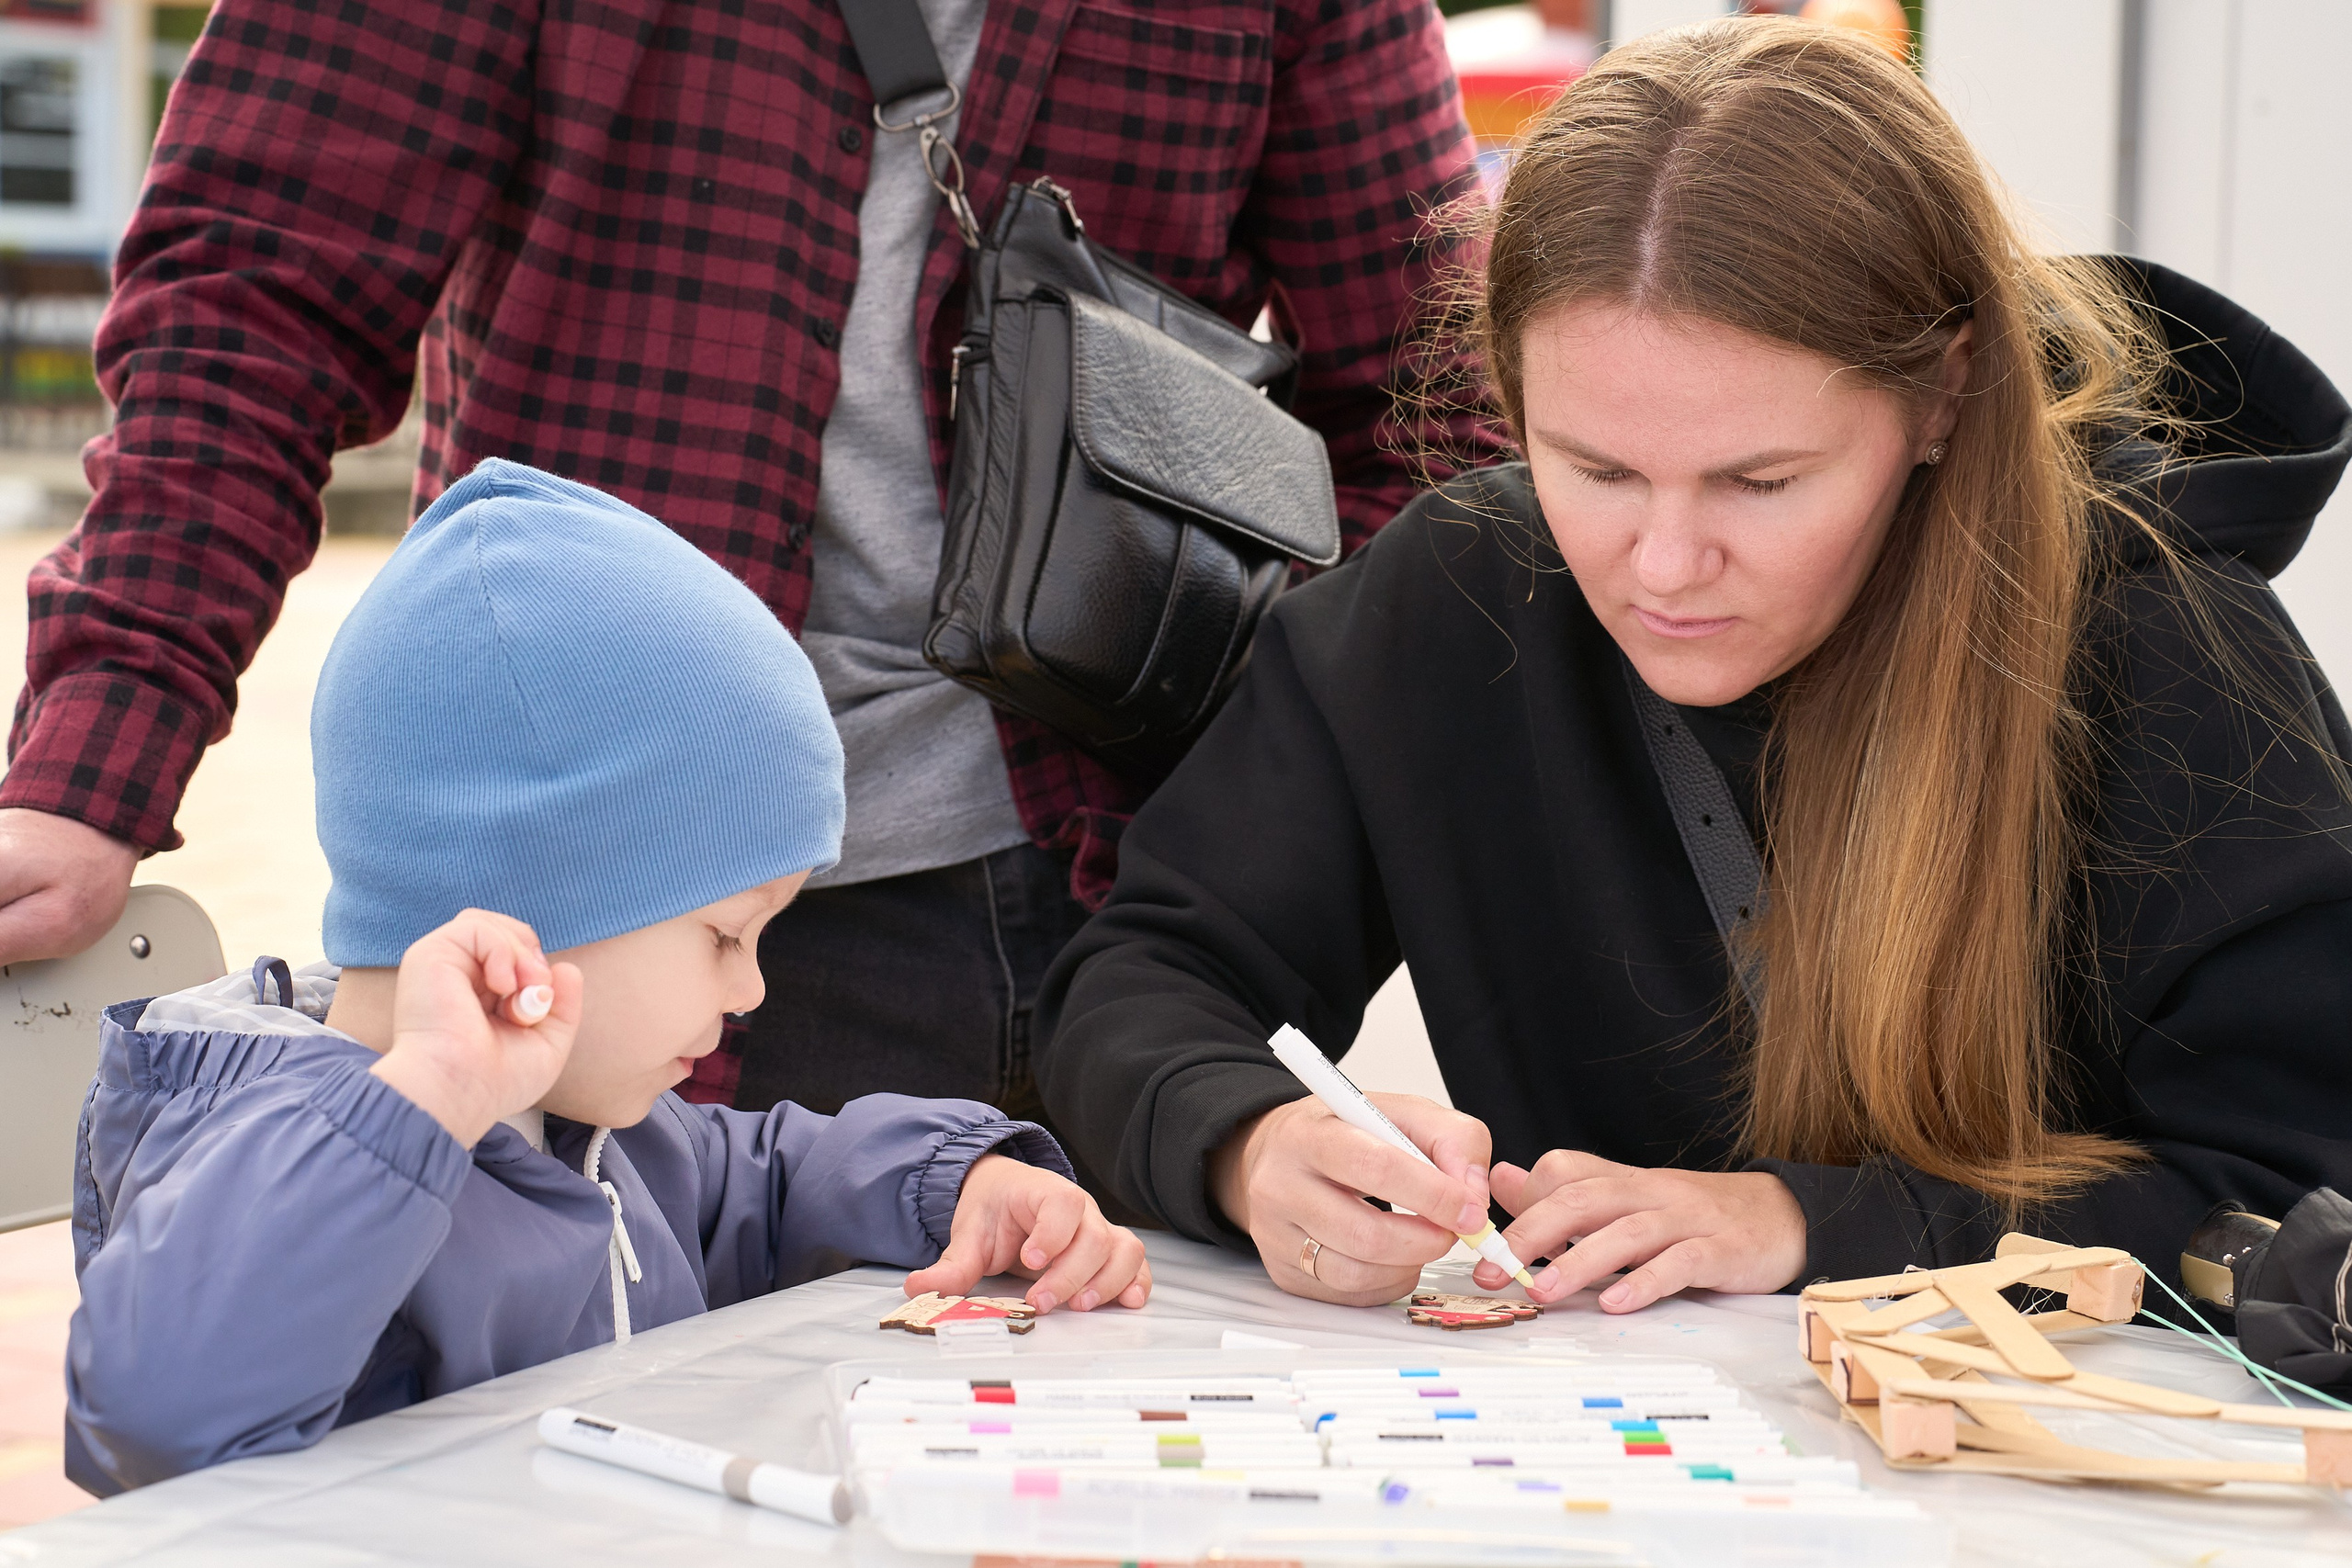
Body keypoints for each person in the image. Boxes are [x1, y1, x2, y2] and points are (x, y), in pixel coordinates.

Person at [1034, 17, 2352, 1312]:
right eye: (1594, 466)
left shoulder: (2172, 645)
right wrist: (1249, 1143)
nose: (1662, 563)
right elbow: (1144, 975)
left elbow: (2288, 1196)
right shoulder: (1462, 591)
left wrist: (1802, 1221)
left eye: (1761, 480)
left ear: (1944, 396)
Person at [0, 0, 1496, 1137]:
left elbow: (1440, 409)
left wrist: (1256, 858)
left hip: (1089, 879)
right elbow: (259, 289)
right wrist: (97, 750)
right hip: (573, 898)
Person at [63, 463, 1148, 1496]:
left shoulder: (593, 1124)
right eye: (726, 934)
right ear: (537, 908)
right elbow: (157, 1413)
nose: (751, 991)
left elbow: (760, 1188)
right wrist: (426, 1100)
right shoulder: (268, 1140)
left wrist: (956, 1183)